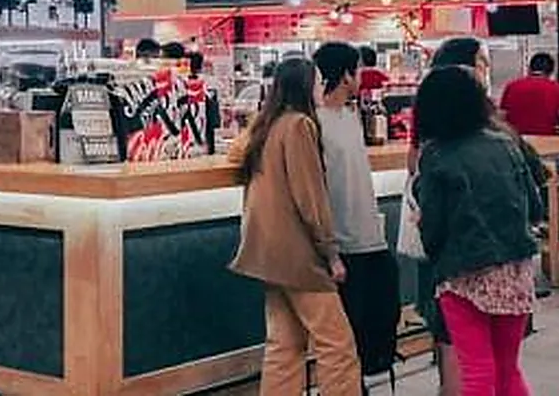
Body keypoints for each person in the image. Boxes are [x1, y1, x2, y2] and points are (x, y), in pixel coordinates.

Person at [229, 57, 361, 396]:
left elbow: (235, 156)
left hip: (266, 252)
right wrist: (330, 253)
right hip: (299, 255)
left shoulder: (265, 125)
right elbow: (310, 199)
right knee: (337, 344)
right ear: (304, 86)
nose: (321, 87)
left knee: (284, 345)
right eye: (317, 81)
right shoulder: (301, 126)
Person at [416, 65, 543, 396]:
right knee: (507, 369)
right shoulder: (507, 144)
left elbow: (434, 227)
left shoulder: (436, 155)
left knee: (477, 372)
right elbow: (535, 205)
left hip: (463, 273)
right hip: (516, 270)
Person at [312, 43, 398, 379]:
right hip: (342, 243)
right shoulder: (312, 122)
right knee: (346, 333)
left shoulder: (351, 116)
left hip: (369, 235)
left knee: (375, 324)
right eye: (358, 70)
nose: (361, 77)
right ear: (346, 75)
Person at [499, 52, 559, 138]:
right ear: (551, 71)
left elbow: (502, 116)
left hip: (517, 139)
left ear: (529, 68)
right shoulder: (555, 88)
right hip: (546, 139)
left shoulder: (512, 86)